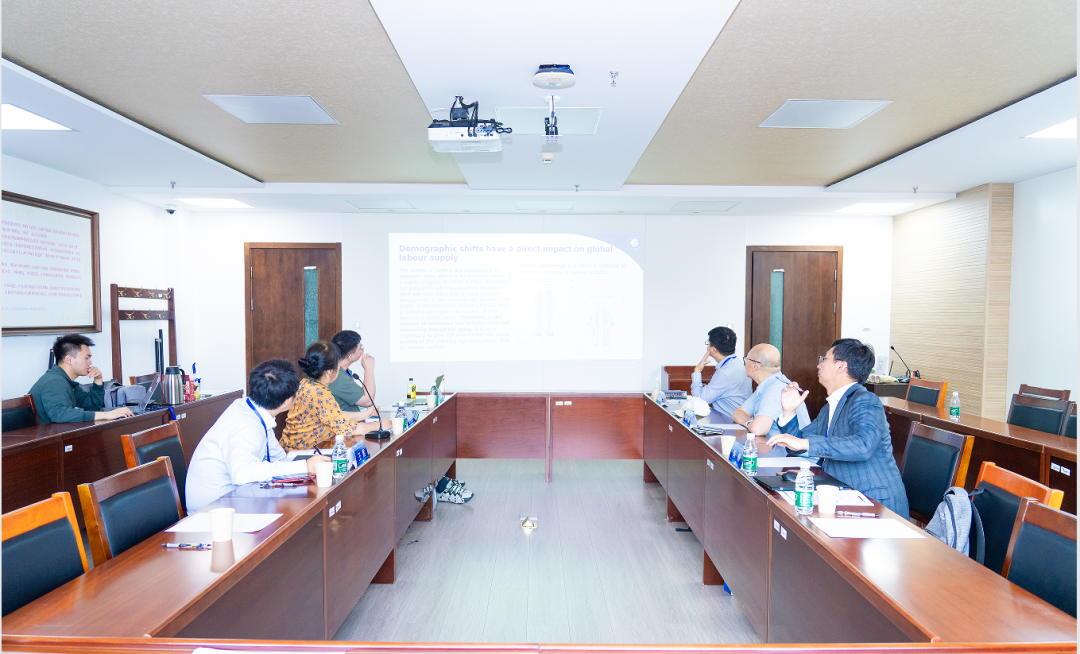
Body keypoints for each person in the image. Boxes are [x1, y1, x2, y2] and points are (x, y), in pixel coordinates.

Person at [766, 338, 909, 517]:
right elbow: (797, 443)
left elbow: (863, 446)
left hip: (875, 501)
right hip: (843, 494)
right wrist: (789, 411)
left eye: (824, 359)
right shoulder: (829, 407)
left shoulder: (865, 400)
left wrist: (805, 444)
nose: (819, 365)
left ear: (841, 366)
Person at [185, 359, 330, 512]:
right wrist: (304, 467)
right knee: (296, 509)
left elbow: (278, 457)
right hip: (214, 509)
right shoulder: (246, 425)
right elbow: (242, 473)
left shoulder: (252, 409)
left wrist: (306, 466)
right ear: (287, 401)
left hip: (237, 497)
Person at [280, 341, 392, 451]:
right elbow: (345, 428)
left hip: (293, 449)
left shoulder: (305, 383)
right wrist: (379, 426)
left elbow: (333, 415)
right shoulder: (320, 392)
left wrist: (364, 414)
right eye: (338, 365)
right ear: (329, 372)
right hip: (305, 453)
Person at [29, 334, 133, 424]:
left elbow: (93, 405)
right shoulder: (55, 382)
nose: (90, 362)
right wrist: (107, 415)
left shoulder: (66, 382)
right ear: (69, 359)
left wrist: (98, 380)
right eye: (86, 358)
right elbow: (60, 414)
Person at [731, 343, 811, 452]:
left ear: (755, 365)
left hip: (796, 457)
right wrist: (750, 423)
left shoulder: (776, 387)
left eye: (746, 359)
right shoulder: (767, 385)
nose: (744, 363)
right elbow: (738, 413)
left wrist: (749, 423)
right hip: (777, 450)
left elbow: (758, 429)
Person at [690, 326, 752, 418]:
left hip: (729, 422)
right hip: (737, 419)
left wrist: (697, 371)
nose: (707, 346)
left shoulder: (725, 373)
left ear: (714, 350)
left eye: (708, 343)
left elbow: (699, 400)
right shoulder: (737, 363)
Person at [327, 330, 375, 412]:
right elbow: (367, 401)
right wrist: (369, 369)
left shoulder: (342, 371)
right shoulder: (338, 376)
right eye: (360, 348)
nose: (362, 351)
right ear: (350, 356)